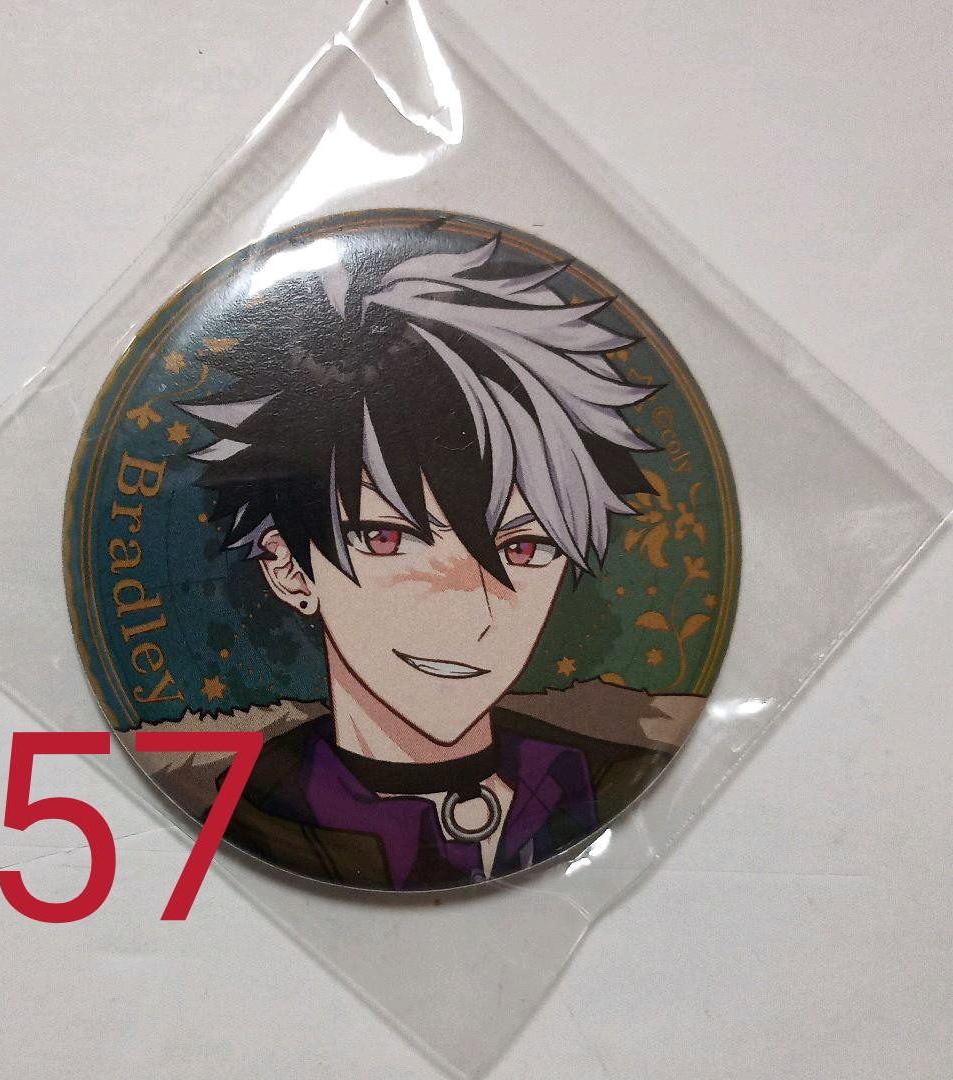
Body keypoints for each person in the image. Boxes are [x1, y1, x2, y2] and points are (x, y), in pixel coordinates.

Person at [147, 228, 705, 890]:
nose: (469, 613)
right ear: (289, 568)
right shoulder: (253, 814)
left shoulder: (599, 779)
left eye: (523, 547)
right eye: (387, 539)